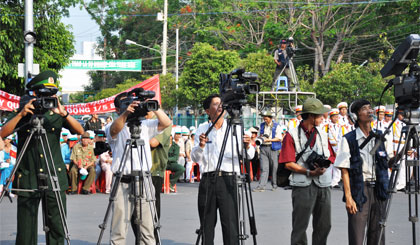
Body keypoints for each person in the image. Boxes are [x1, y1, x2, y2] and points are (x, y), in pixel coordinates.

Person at [0, 70, 84, 244]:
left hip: (54, 173)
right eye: (44, 94)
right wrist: (22, 115)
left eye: (52, 93)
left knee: (56, 226)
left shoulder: (58, 113)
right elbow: (3, 133)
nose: (48, 98)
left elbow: (81, 131)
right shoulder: (23, 112)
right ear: (35, 93)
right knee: (25, 229)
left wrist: (64, 113)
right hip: (29, 175)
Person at [105, 91, 171, 244]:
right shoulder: (112, 125)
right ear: (117, 109)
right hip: (122, 180)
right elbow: (114, 131)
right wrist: (126, 114)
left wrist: (152, 105)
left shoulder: (145, 125)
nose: (131, 105)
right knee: (119, 229)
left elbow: (166, 123)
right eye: (126, 103)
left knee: (147, 229)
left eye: (132, 103)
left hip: (144, 180)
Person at [191, 94, 255, 245]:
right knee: (207, 224)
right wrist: (201, 146)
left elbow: (249, 156)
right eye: (215, 104)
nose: (220, 106)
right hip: (208, 180)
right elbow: (195, 158)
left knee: (231, 224)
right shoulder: (202, 129)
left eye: (221, 103)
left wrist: (247, 145)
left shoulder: (235, 127)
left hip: (229, 179)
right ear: (207, 110)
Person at [335, 99, 393, 245]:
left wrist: (400, 154)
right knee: (357, 236)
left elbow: (387, 162)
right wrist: (348, 197)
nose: (370, 111)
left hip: (378, 191)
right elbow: (344, 169)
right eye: (365, 109)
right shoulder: (348, 139)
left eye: (370, 108)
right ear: (356, 116)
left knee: (377, 236)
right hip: (359, 191)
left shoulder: (380, 136)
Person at [278, 97, 336, 245]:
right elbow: (288, 163)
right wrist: (308, 172)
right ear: (311, 115)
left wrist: (324, 164)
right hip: (303, 185)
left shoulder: (323, 133)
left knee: (324, 225)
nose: (323, 118)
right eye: (320, 115)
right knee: (300, 226)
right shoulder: (291, 134)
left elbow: (331, 156)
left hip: (323, 184)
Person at [253, 110, 282, 192]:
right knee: (263, 167)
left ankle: (274, 184)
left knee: (274, 167)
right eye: (264, 119)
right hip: (263, 147)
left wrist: (269, 139)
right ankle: (261, 186)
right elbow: (259, 135)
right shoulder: (261, 125)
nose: (265, 120)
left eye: (266, 119)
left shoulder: (277, 126)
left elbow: (279, 138)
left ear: (270, 118)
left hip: (272, 147)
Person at [326, 108, 341, 188]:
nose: (335, 118)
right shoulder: (327, 126)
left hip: (337, 147)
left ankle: (335, 182)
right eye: (334, 117)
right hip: (329, 147)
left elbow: (341, 137)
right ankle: (328, 180)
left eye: (337, 116)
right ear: (330, 118)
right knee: (329, 163)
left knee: (337, 164)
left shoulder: (340, 126)